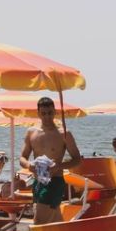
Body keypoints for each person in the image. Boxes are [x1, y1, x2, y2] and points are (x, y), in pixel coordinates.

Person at [20, 96, 82, 224]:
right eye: (43, 113)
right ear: (38, 113)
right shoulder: (31, 132)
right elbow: (22, 158)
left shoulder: (64, 134)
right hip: (37, 181)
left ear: (55, 112)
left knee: (39, 220)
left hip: (55, 181)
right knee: (54, 219)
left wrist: (59, 166)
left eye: (50, 113)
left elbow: (77, 159)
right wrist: (28, 165)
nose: (47, 117)